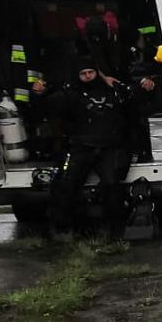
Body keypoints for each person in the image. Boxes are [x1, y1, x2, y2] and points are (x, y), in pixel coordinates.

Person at [48, 66, 133, 239]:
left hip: (108, 146)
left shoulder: (112, 89)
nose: (87, 76)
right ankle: (64, 229)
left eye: (90, 72)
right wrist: (42, 92)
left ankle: (115, 231)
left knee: (112, 184)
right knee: (66, 184)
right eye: (83, 73)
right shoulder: (71, 93)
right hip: (80, 146)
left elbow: (133, 101)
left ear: (97, 73)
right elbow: (50, 105)